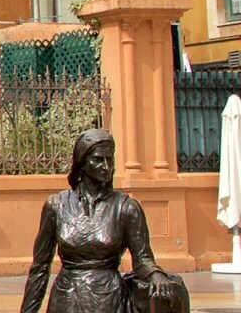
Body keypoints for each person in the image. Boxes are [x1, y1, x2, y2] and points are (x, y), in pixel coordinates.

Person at [21, 129, 187, 313]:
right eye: (98, 159)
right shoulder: (57, 206)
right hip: (66, 300)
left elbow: (143, 258)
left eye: (110, 160)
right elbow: (40, 267)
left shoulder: (126, 208)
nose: (106, 167)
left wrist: (156, 274)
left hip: (109, 299)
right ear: (82, 163)